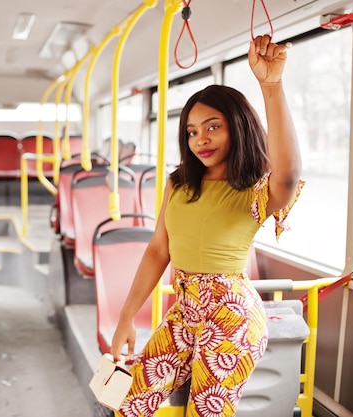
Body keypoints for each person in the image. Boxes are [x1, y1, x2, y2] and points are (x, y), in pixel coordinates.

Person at [110, 34, 304, 417]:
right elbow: (157, 251)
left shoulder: (253, 189)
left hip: (232, 315)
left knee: (206, 412)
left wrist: (271, 85)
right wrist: (126, 316)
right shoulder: (178, 182)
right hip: (183, 311)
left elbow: (289, 174)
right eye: (192, 131)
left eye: (213, 127)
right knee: (129, 404)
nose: (201, 139)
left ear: (238, 126)